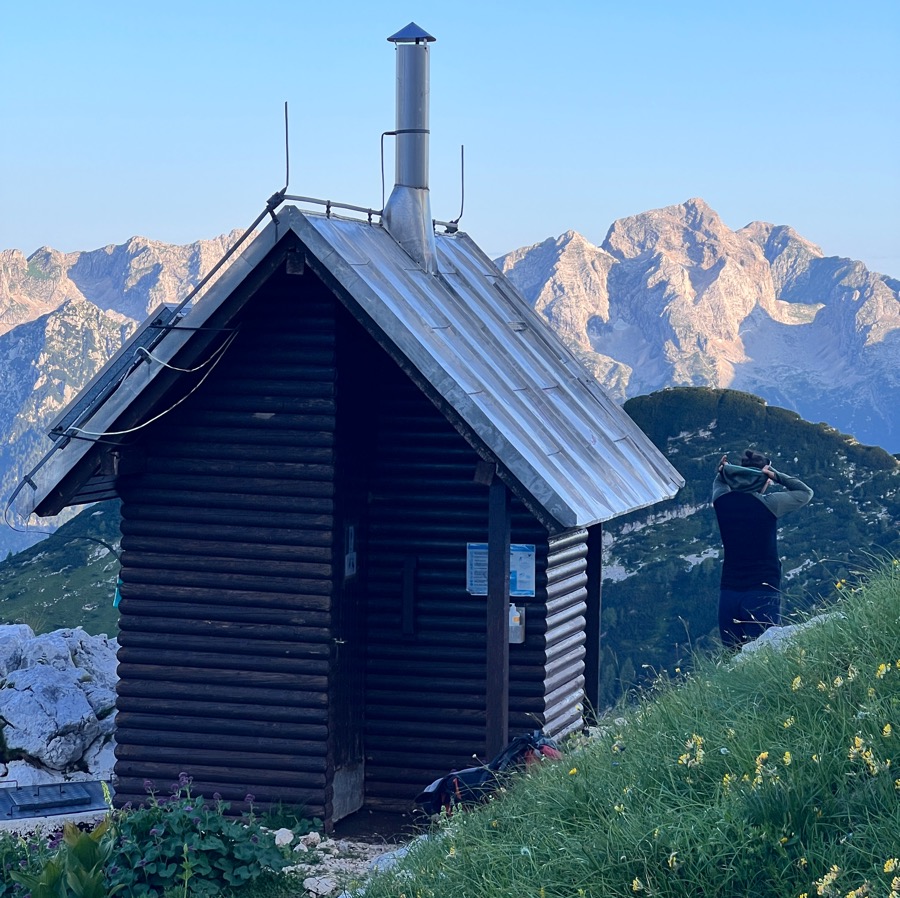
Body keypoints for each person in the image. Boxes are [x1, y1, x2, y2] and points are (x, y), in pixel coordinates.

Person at [712, 449, 813, 648]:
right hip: (762, 589)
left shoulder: (722, 501)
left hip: (729, 590)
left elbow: (720, 482)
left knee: (732, 655)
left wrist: (725, 471)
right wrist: (774, 474)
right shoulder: (769, 504)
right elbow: (805, 493)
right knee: (766, 653)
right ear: (764, 480)